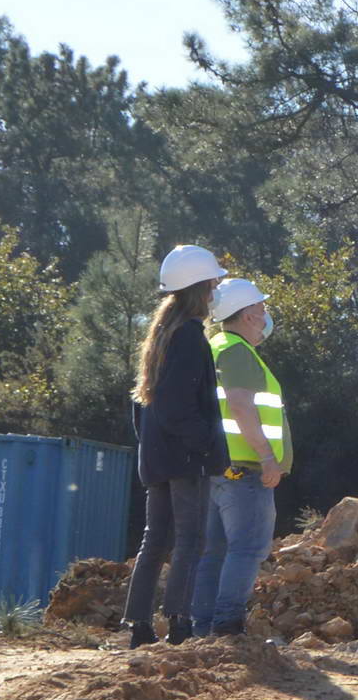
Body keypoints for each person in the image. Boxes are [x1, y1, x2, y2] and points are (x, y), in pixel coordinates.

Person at [119, 246, 229, 647]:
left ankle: (139, 627)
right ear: (200, 287)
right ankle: (179, 624)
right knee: (189, 540)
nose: (217, 287)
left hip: (158, 456)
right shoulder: (189, 338)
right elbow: (178, 406)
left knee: (155, 540)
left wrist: (156, 447)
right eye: (214, 281)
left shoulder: (164, 335)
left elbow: (143, 406)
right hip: (184, 459)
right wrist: (206, 448)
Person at [185, 277, 292, 640]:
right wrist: (267, 457)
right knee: (248, 548)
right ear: (247, 314)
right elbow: (241, 406)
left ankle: (204, 630)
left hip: (220, 469)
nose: (265, 314)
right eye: (260, 308)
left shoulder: (216, 346)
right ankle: (227, 627)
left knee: (214, 552)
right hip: (245, 470)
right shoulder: (236, 351)